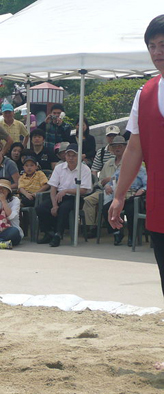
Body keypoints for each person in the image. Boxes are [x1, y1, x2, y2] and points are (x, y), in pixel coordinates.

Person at [110, 17, 164, 294]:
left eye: (163, 44)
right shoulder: (145, 94)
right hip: (160, 200)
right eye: (152, 46)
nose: (157, 52)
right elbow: (134, 148)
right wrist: (119, 195)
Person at [35, 143, 92, 247]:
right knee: (40, 208)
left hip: (75, 197)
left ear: (79, 156)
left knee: (64, 208)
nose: (71, 158)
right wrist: (54, 204)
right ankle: (49, 232)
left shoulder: (85, 169)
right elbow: (53, 187)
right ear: (65, 156)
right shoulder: (59, 167)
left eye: (74, 155)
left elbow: (84, 190)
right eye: (68, 155)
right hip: (58, 195)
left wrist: (66, 191)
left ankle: (58, 234)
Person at [102, 138, 146, 246]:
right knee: (106, 208)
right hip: (121, 195)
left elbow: (147, 183)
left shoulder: (141, 169)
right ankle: (116, 233)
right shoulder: (122, 168)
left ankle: (131, 236)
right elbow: (113, 179)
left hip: (134, 196)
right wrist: (107, 186)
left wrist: (143, 189)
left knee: (131, 210)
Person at [83, 137, 124, 235]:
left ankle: (116, 231)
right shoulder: (108, 163)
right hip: (106, 191)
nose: (117, 148)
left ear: (125, 148)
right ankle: (92, 227)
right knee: (88, 200)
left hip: (123, 192)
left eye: (120, 146)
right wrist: (105, 185)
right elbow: (100, 181)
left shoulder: (129, 162)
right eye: (114, 146)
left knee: (107, 205)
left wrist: (112, 180)